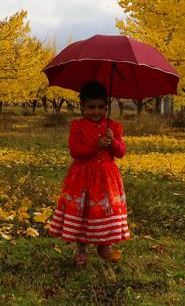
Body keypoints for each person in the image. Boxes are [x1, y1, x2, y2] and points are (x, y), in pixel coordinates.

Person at [47, 80, 129, 265]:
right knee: (84, 211)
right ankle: (81, 248)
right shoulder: (78, 126)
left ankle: (104, 243)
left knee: (105, 209)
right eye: (91, 107)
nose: (96, 112)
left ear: (106, 106)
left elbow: (121, 152)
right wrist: (96, 145)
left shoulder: (113, 127)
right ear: (83, 106)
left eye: (100, 107)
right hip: (83, 176)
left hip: (106, 177)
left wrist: (113, 141)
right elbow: (75, 151)